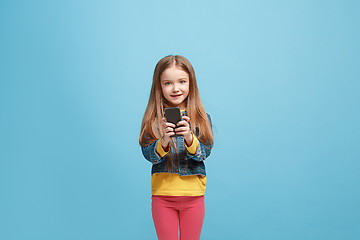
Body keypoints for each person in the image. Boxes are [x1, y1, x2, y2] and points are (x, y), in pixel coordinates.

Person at [139, 55, 214, 240]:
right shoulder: (153, 120)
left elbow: (205, 152)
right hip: (163, 196)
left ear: (191, 84)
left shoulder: (202, 118)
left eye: (182, 81)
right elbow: (149, 155)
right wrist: (164, 140)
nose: (175, 88)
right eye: (168, 83)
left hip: (194, 196)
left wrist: (189, 137)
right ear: (159, 87)